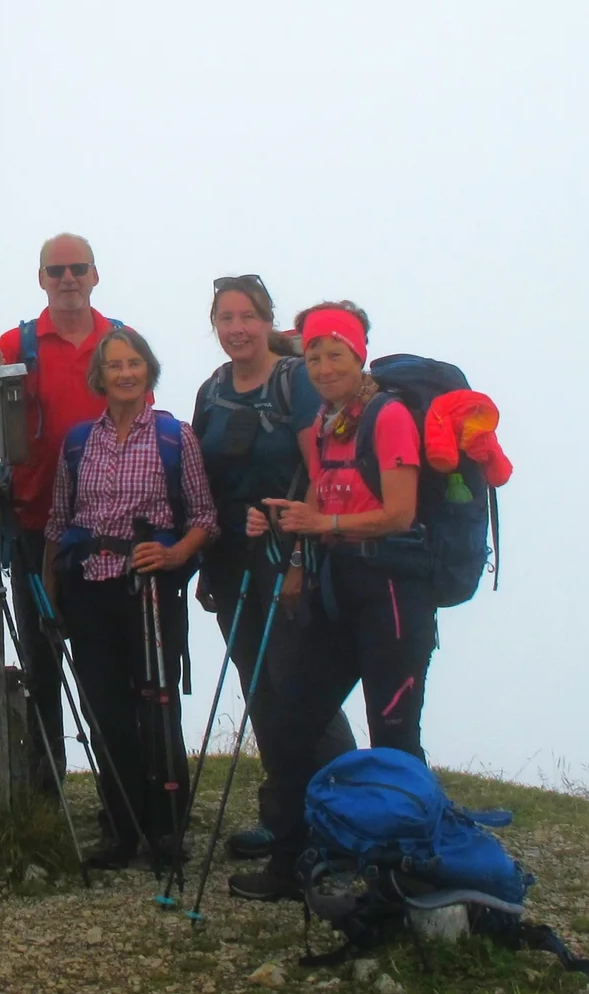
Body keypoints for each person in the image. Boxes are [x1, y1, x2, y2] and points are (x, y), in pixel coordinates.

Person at [228, 301, 438, 903]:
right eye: (314, 354)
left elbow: (400, 513)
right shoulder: (328, 422)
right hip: (339, 592)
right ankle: (290, 864)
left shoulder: (389, 416)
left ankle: (406, 878)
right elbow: (320, 498)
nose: (322, 365)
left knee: (394, 735)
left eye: (335, 353)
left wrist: (323, 528)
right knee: (291, 724)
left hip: (395, 598)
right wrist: (292, 547)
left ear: (359, 354)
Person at [191, 277, 357, 863]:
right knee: (258, 684)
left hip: (289, 551)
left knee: (301, 687)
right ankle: (286, 817)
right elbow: (203, 481)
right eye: (225, 318)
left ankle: (346, 819)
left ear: (267, 322)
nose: (236, 328)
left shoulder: (294, 384)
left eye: (246, 316)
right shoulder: (212, 391)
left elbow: (322, 468)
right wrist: (207, 563)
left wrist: (295, 559)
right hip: (233, 556)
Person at [43, 327, 216, 869]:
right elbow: (58, 521)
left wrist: (172, 556)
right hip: (89, 587)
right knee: (106, 713)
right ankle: (120, 828)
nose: (125, 373)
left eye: (134, 363)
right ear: (101, 376)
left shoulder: (175, 437)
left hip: (151, 587)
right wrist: (52, 600)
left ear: (149, 371)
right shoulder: (78, 442)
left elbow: (206, 517)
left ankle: (166, 830)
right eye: (114, 365)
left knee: (158, 705)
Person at [0, 233, 119, 790]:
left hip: (102, 530)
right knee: (41, 658)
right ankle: (46, 786)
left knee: (105, 661)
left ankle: (121, 782)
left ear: (95, 276)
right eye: (57, 271)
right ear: (41, 279)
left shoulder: (120, 345)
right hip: (30, 521)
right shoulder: (12, 346)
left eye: (78, 269)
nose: (68, 279)